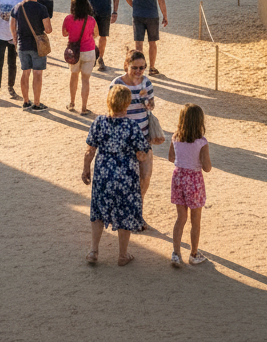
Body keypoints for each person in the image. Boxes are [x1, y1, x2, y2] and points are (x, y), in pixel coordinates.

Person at [82, 84, 150, 266]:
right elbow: (143, 153)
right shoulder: (131, 126)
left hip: (103, 175)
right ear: (126, 103)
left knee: (98, 211)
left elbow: (90, 150)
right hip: (126, 176)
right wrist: (143, 174)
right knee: (125, 214)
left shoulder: (99, 122)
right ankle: (122, 255)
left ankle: (93, 251)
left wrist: (86, 168)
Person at [110, 50, 157, 224]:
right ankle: (123, 215)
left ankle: (137, 214)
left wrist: (145, 97)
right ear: (126, 66)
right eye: (135, 67)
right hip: (123, 142)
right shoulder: (116, 84)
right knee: (124, 180)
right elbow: (111, 110)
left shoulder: (147, 82)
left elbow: (151, 108)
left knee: (144, 177)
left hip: (143, 139)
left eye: (142, 68)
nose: (139, 71)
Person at [168, 103, 212, 268]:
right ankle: (193, 254)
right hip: (194, 180)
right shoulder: (202, 142)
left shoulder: (175, 137)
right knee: (195, 219)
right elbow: (207, 167)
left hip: (178, 177)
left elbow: (171, 158)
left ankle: (176, 253)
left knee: (181, 217)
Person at [125, 0, 168, 75]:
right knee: (152, 42)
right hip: (152, 15)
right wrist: (165, 15)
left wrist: (135, 6)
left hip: (138, 14)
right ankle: (152, 67)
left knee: (138, 43)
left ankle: (139, 68)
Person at [13, 0, 51, 111]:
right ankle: (37, 103)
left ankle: (25, 101)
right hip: (37, 46)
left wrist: (15, 41)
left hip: (22, 45)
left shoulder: (18, 7)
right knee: (37, 74)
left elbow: (12, 26)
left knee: (25, 73)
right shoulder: (41, 8)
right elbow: (48, 29)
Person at [79, 0, 119, 72]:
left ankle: (100, 58)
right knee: (88, 36)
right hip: (89, 12)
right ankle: (90, 58)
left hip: (105, 11)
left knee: (103, 36)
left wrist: (115, 11)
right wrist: (78, 7)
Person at [62, 0, 98, 114]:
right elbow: (96, 34)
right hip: (88, 51)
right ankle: (83, 107)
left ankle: (72, 103)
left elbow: (64, 33)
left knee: (74, 77)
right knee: (85, 80)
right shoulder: (91, 20)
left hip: (74, 52)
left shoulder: (68, 19)